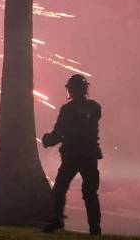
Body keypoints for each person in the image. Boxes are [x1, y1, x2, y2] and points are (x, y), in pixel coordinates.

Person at [42, 74, 102, 236]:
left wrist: (47, 140)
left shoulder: (67, 110)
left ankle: (56, 220)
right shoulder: (95, 107)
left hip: (73, 155)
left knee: (60, 188)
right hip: (89, 155)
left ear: (73, 90)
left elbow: (59, 132)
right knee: (90, 192)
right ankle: (95, 227)